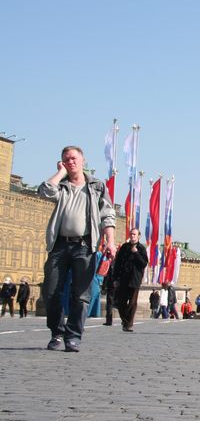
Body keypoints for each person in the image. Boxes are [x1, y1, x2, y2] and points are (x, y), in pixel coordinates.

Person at [38, 146, 117, 352]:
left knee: (81, 295)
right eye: (65, 159)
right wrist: (61, 173)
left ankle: (73, 336)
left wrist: (110, 241)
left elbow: (107, 214)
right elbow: (44, 191)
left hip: (84, 246)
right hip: (59, 246)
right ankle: (57, 333)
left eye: (73, 158)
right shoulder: (61, 186)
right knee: (51, 291)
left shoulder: (96, 186)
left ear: (83, 160)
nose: (70, 161)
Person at [111, 228, 148, 332]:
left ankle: (129, 324)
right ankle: (125, 320)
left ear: (138, 236)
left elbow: (144, 263)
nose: (132, 236)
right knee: (120, 301)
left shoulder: (141, 248)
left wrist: (136, 253)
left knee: (132, 302)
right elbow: (117, 263)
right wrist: (115, 278)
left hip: (135, 279)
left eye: (134, 234)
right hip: (123, 278)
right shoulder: (124, 247)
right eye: (131, 234)